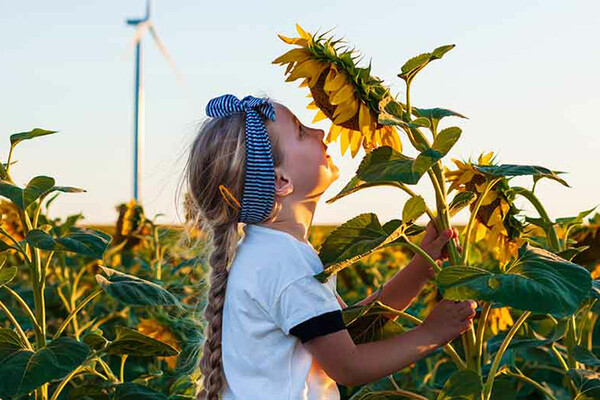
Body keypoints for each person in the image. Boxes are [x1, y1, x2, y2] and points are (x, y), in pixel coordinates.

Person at [182, 93, 477, 400]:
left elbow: (347, 331)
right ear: (281, 181)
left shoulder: (268, 252)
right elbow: (348, 365)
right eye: (301, 131)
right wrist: (430, 334)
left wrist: (419, 269)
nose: (320, 132)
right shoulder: (286, 263)